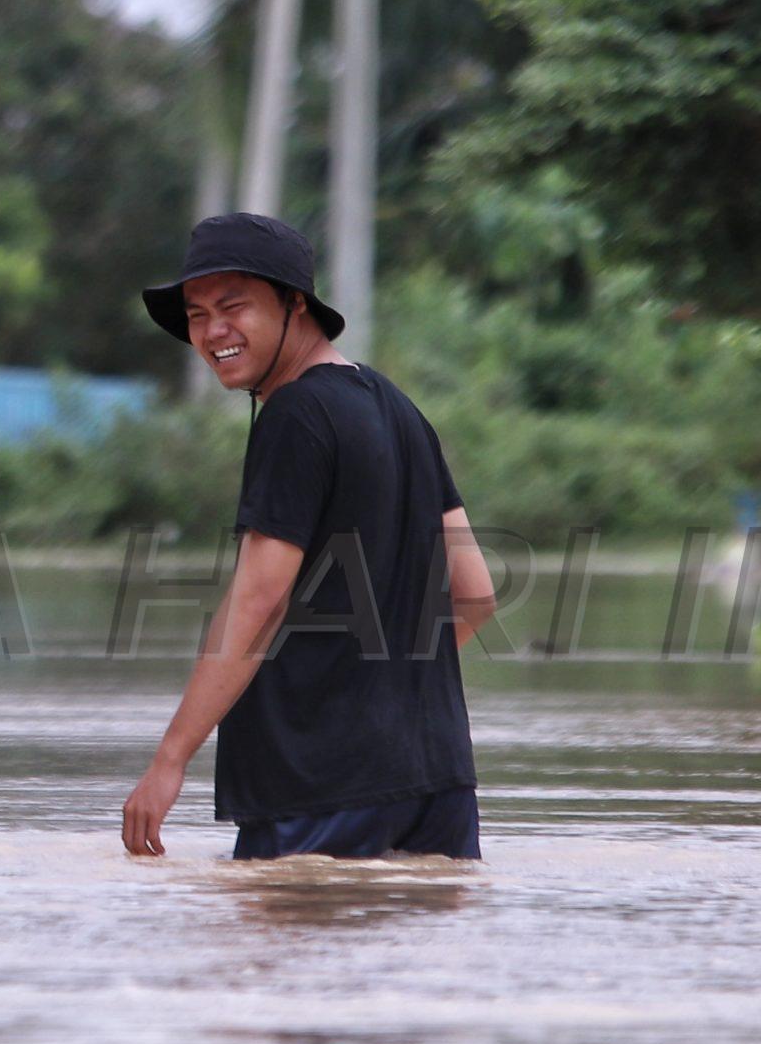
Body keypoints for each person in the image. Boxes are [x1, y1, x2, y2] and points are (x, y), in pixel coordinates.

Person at [119, 213, 497, 859]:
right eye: (197, 313)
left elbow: (258, 603)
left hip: (319, 783)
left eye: (234, 306)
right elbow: (477, 592)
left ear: (296, 304)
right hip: (437, 784)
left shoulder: (294, 415)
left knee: (263, 959)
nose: (213, 332)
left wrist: (169, 759)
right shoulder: (400, 408)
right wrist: (387, 692)